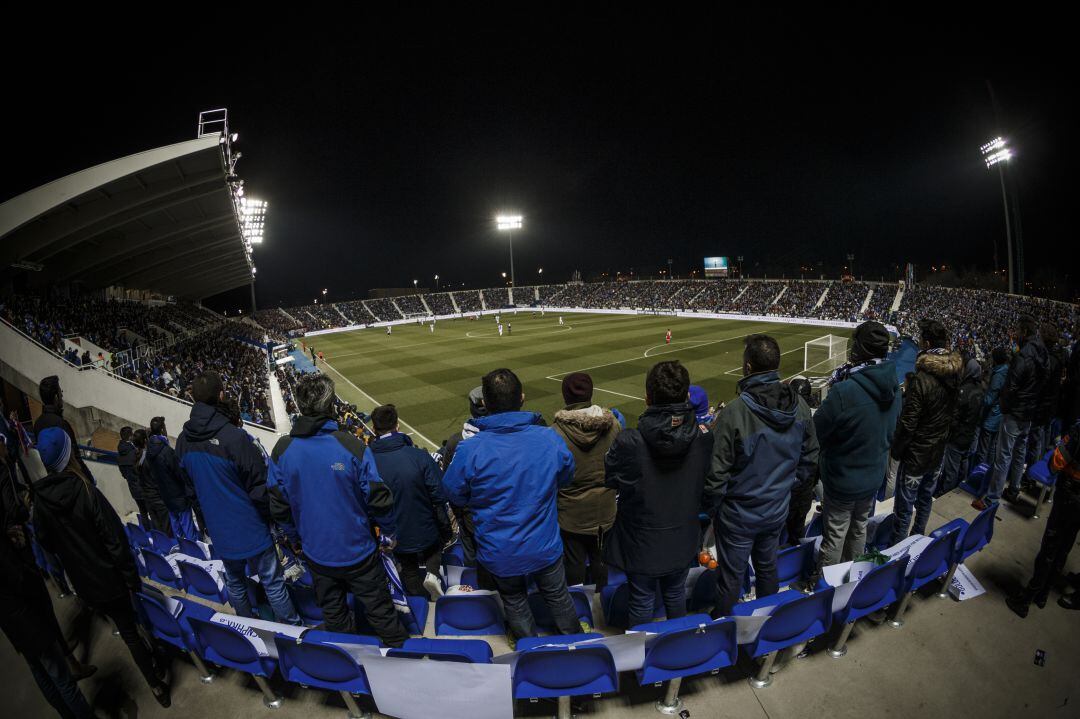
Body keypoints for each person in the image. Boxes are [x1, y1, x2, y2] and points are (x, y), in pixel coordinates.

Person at [30, 428, 171, 707]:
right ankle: (156, 685)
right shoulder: (85, 490)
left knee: (125, 628)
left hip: (84, 584)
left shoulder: (41, 500)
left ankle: (154, 662)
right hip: (110, 578)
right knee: (131, 631)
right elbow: (115, 539)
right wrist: (130, 577)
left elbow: (45, 540)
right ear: (68, 454)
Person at [441, 368, 580, 643]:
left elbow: (453, 492)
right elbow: (566, 476)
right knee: (557, 596)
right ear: (522, 398)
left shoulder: (471, 449)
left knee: (515, 601)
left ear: (487, 405)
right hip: (544, 544)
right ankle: (575, 646)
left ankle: (530, 648)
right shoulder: (548, 438)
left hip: (499, 549)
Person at [268, 374, 408, 647]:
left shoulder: (283, 450)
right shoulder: (351, 445)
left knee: (336, 619)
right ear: (331, 405)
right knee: (383, 617)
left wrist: (296, 540)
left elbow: (279, 506)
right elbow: (379, 498)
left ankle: (350, 678)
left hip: (317, 554)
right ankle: (401, 669)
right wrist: (389, 533)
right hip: (359, 553)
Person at [707, 334, 819, 618]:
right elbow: (809, 459)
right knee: (768, 568)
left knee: (731, 578)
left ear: (747, 368)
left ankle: (723, 635)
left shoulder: (734, 413)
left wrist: (713, 511)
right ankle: (768, 627)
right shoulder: (801, 407)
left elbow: (716, 476)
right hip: (776, 509)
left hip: (739, 515)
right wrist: (785, 489)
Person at [176, 372, 301, 625]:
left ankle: (248, 627)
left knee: (235, 581)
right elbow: (258, 488)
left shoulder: (182, 442)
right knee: (273, 583)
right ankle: (292, 630)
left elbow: (191, 491)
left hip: (220, 530)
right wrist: (273, 522)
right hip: (251, 528)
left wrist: (207, 521)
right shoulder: (235, 438)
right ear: (221, 396)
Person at [605, 361, 710, 628]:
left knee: (642, 600)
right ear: (686, 396)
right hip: (682, 536)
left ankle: (643, 663)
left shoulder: (629, 442)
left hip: (642, 542)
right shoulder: (704, 438)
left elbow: (611, 479)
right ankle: (674, 655)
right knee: (674, 594)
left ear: (648, 397)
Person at [805, 322, 900, 585]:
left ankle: (825, 587)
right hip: (872, 477)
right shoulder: (894, 385)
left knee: (835, 534)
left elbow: (817, 431)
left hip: (843, 479)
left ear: (858, 349)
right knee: (858, 529)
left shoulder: (845, 391)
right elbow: (892, 431)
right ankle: (853, 580)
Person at [1, 474, 96, 719]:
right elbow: (17, 578)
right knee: (61, 679)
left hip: (13, 622)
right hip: (26, 616)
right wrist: (19, 549)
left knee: (40, 672)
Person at [889, 319, 962, 543]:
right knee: (925, 499)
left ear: (927, 342)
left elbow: (909, 423)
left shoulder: (921, 380)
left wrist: (897, 451)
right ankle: (918, 539)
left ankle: (896, 555)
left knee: (903, 509)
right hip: (937, 452)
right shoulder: (955, 373)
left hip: (917, 456)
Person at [368, 404, 448, 600]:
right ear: (397, 425)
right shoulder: (419, 456)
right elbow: (439, 494)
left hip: (395, 533)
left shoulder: (367, 461)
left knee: (409, 570)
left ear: (375, 429)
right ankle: (432, 573)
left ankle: (420, 602)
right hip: (426, 529)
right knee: (438, 542)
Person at [551, 372, 620, 589]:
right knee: (601, 559)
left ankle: (581, 611)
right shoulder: (614, 425)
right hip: (605, 509)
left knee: (575, 563)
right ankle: (601, 601)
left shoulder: (555, 433)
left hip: (572, 514)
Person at [1005, 417, 1080, 617]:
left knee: (1050, 546)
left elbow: (1057, 461)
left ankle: (1028, 596)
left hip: (1071, 495)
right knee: (1065, 545)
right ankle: (1043, 593)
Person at [979, 314, 1048, 509]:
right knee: (1020, 451)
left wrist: (1005, 405)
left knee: (1004, 456)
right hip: (1030, 411)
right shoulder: (1043, 352)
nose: (1015, 333)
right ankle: (1014, 489)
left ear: (1024, 332)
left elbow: (1011, 385)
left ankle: (992, 499)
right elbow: (1044, 381)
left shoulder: (1023, 355)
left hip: (1015, 412)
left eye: (1018, 330)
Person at [145, 417, 200, 540]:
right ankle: (193, 550)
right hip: (178, 495)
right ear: (163, 429)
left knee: (176, 526)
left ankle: (183, 548)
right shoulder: (166, 451)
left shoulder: (149, 451)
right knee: (187, 526)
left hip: (165, 495)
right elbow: (179, 474)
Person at [936, 358, 986, 495]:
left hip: (958, 436)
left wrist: (949, 431)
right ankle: (960, 484)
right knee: (964, 462)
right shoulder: (980, 390)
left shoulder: (964, 390)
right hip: (970, 433)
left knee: (951, 467)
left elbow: (955, 415)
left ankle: (947, 492)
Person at [33, 376, 94, 484]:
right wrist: (90, 480)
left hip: (53, 480)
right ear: (56, 397)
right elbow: (75, 457)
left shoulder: (37, 424)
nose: (62, 395)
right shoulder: (61, 423)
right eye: (60, 392)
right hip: (71, 480)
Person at [1029, 323, 1067, 464]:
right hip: (1050, 405)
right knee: (1043, 437)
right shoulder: (1057, 357)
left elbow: (1042, 385)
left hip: (1042, 406)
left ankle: (1031, 476)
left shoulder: (1048, 360)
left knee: (1036, 442)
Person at [132, 429, 170, 534]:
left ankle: (163, 546)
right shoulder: (148, 458)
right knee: (166, 526)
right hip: (156, 496)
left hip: (147, 496)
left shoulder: (136, 456)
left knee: (157, 525)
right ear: (145, 440)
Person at [976, 347, 1010, 465]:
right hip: (999, 415)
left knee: (983, 450)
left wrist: (979, 396)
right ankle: (987, 472)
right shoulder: (1006, 370)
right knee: (993, 447)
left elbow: (989, 400)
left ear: (995, 359)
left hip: (991, 418)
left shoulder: (998, 375)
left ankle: (978, 475)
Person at [116, 426, 148, 517]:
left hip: (133, 489)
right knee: (153, 513)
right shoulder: (134, 453)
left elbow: (124, 474)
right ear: (130, 437)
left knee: (143, 513)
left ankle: (148, 530)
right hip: (143, 488)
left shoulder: (119, 456)